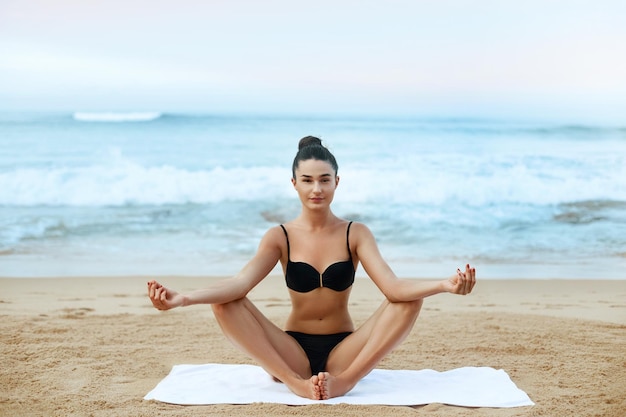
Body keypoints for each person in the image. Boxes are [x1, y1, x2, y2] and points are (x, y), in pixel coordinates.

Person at [147, 136, 476, 400]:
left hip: (344, 352)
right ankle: (294, 383)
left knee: (409, 301)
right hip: (291, 353)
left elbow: (393, 288)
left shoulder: (355, 233)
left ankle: (346, 382)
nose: (316, 189)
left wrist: (444, 285)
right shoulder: (280, 236)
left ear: (337, 182)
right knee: (225, 302)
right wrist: (183, 299)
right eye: (307, 180)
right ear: (294, 183)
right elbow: (240, 283)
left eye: (324, 180)